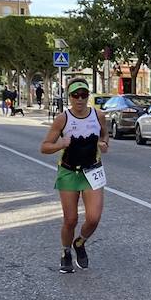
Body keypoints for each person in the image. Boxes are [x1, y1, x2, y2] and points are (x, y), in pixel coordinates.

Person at [40, 79, 109, 274]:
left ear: (88, 96)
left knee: (94, 218)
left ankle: (80, 243)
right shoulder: (63, 119)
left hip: (92, 171)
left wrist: (104, 144)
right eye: (75, 95)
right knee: (70, 220)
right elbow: (44, 147)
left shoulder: (98, 115)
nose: (80, 99)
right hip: (69, 171)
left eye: (84, 95)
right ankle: (65, 252)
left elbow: (105, 135)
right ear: (69, 97)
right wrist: (60, 144)